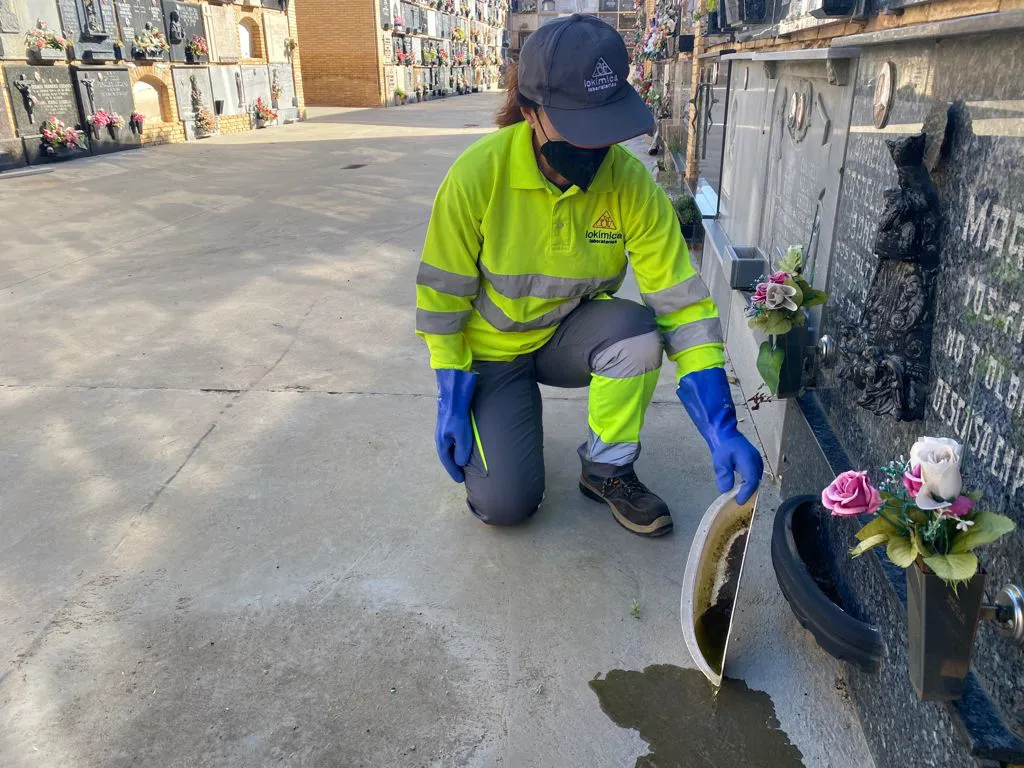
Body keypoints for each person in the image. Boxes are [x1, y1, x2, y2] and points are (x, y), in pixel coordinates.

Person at [415, 15, 762, 537]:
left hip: (566, 337)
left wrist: (721, 425)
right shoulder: (476, 176)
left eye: (604, 125)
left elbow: (683, 306)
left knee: (640, 334)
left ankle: (607, 468)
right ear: (530, 112)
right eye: (577, 126)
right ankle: (507, 413)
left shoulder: (629, 185)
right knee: (506, 505)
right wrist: (451, 391)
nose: (594, 149)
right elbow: (442, 295)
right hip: (490, 351)